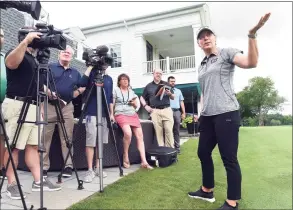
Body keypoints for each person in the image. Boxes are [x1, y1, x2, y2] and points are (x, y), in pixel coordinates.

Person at [187, 13, 271, 210]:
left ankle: (232, 202)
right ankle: (207, 190)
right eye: (201, 37)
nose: (205, 38)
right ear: (199, 44)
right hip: (207, 116)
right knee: (203, 152)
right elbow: (205, 92)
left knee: (228, 158)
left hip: (226, 113)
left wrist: (252, 35)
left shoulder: (226, 53)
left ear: (214, 38)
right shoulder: (202, 65)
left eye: (208, 35)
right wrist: (201, 110)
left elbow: (251, 63)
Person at [2, 28, 61, 200]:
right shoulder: (16, 53)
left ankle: (38, 182)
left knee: (34, 146)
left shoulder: (35, 60)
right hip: (17, 104)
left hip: (34, 106)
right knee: (13, 146)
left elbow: (37, 84)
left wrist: (48, 96)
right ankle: (11, 184)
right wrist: (26, 41)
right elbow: (11, 63)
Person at [42, 45, 87, 178]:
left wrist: (75, 93)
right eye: (64, 52)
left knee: (67, 138)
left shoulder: (75, 72)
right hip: (49, 106)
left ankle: (68, 166)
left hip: (67, 108)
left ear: (71, 56)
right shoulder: (50, 67)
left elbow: (83, 86)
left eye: (69, 53)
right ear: (58, 54)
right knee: (45, 138)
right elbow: (41, 84)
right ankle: (43, 167)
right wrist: (49, 93)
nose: (66, 54)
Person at [112, 73, 153, 169]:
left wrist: (134, 104)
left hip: (132, 114)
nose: (125, 81)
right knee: (128, 133)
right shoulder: (115, 90)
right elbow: (112, 104)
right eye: (122, 79)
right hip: (121, 114)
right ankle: (125, 154)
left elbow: (136, 106)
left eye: (126, 79)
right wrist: (111, 114)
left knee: (140, 136)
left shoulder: (132, 92)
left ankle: (144, 162)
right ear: (119, 81)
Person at [82, 64, 113, 183]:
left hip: (104, 114)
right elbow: (81, 82)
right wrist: (90, 67)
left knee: (101, 141)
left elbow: (109, 98)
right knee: (91, 141)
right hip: (91, 112)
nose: (104, 65)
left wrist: (111, 113)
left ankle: (98, 167)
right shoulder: (91, 74)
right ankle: (90, 169)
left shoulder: (109, 79)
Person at [140, 69, 175, 148]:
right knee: (158, 133)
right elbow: (141, 97)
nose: (158, 75)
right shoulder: (148, 86)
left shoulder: (166, 84)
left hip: (166, 110)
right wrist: (146, 106)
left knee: (169, 130)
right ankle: (161, 154)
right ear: (153, 74)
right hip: (155, 111)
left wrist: (169, 94)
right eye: (157, 73)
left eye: (160, 73)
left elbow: (173, 97)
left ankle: (170, 154)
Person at [168, 76, 186, 153]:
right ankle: (170, 148)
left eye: (174, 81)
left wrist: (183, 113)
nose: (173, 82)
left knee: (176, 130)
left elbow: (181, 102)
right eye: (171, 81)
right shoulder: (166, 91)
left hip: (177, 112)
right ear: (168, 82)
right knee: (168, 130)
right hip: (168, 111)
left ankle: (177, 148)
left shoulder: (178, 91)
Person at [0, 28, 6, 179]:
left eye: (2, 36)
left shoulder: (4, 57)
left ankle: (1, 167)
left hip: (3, 103)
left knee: (2, 136)